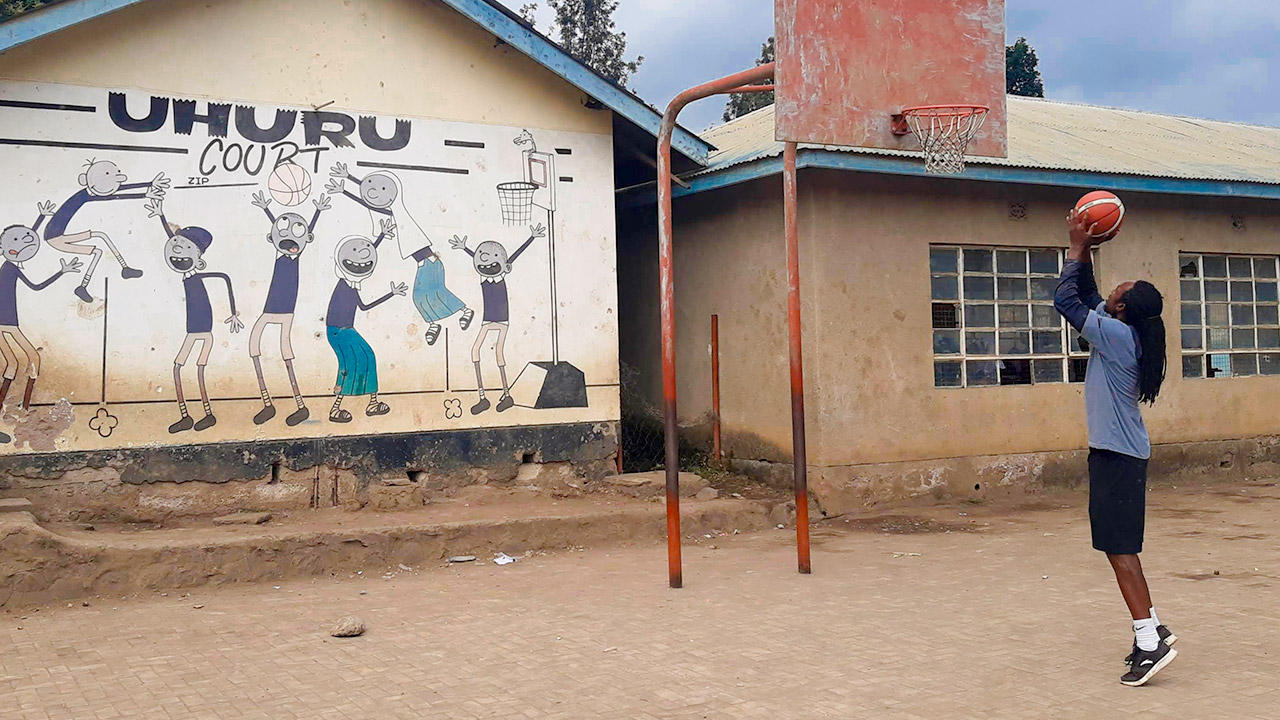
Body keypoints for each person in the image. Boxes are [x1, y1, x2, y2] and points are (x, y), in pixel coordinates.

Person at [1054, 208, 1176, 687]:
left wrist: (1077, 248)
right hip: (1117, 453)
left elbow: (1066, 300)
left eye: (1118, 291)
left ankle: (1149, 640)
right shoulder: (1123, 328)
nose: (1113, 290)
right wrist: (1089, 253)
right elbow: (1085, 296)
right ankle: (1151, 624)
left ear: (1122, 309)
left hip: (1119, 458)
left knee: (1119, 549)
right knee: (1117, 547)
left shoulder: (1119, 338)